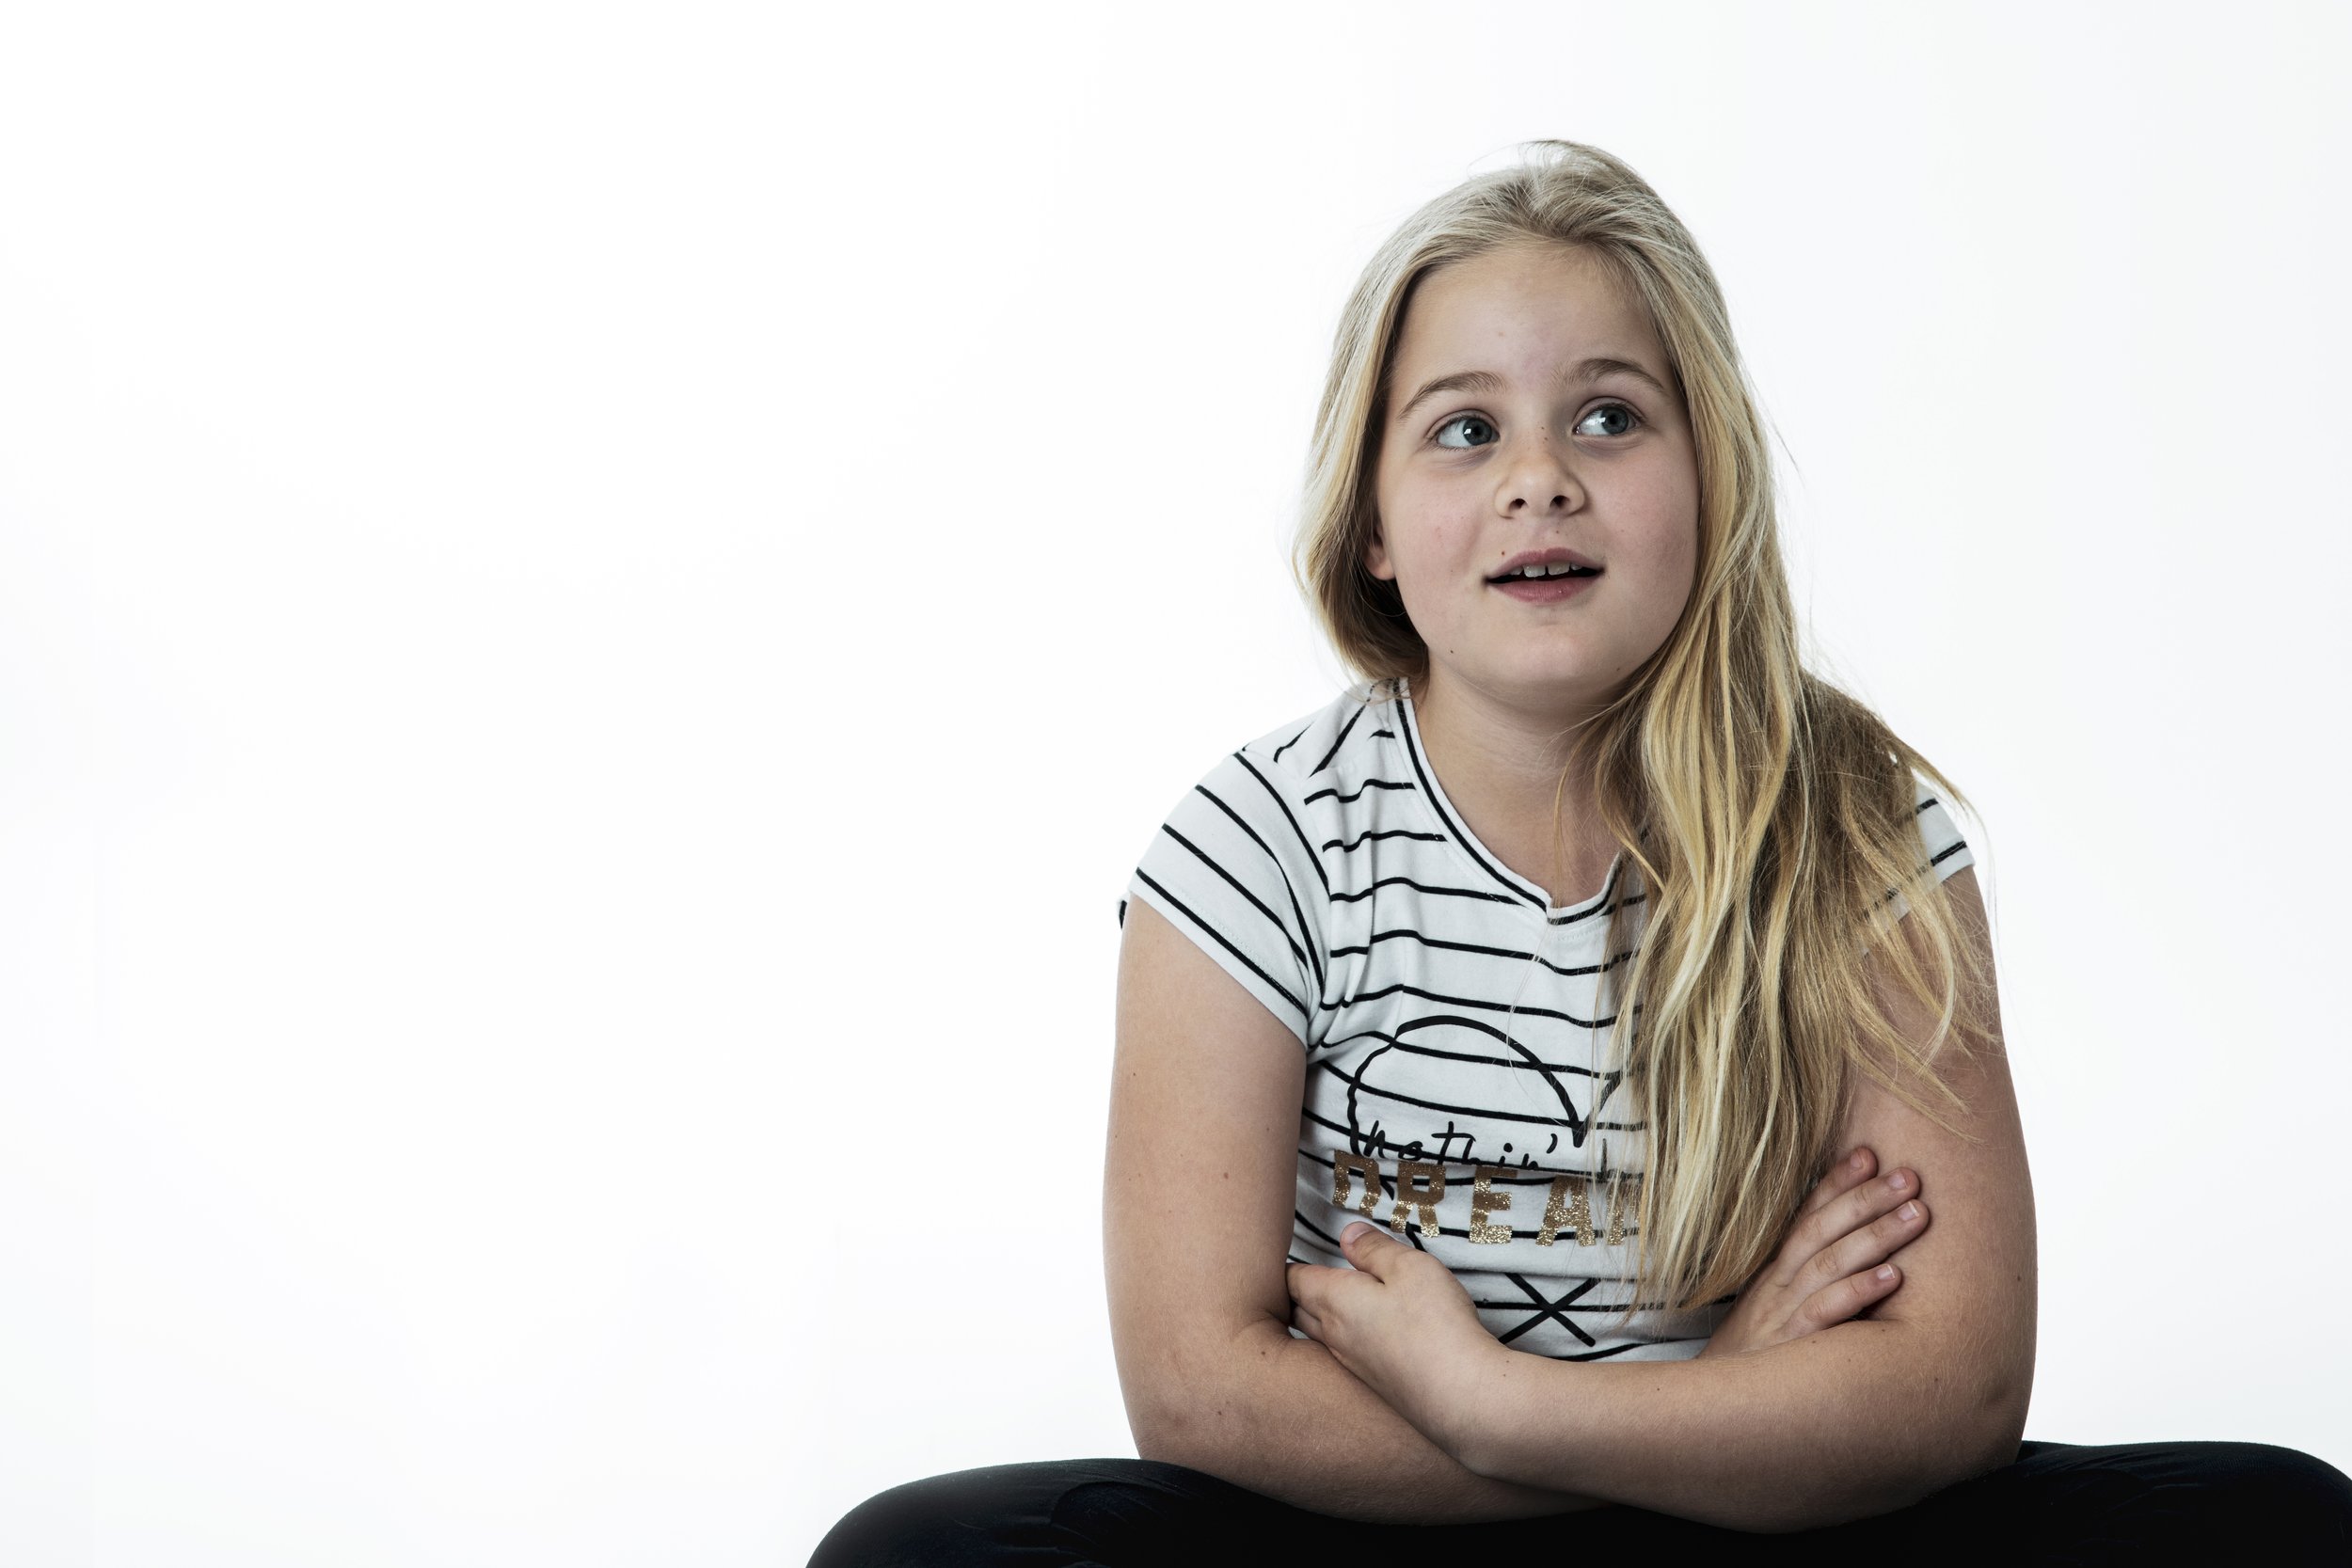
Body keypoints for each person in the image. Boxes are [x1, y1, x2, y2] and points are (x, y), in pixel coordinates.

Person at [807, 139, 2352, 1563]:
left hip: (1779, 1533)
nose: (1539, 475)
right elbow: (1206, 1398)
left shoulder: (1855, 819)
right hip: (1398, 1536)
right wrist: (1718, 1408)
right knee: (917, 1552)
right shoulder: (1257, 846)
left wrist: (1511, 1407)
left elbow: (1951, 1388)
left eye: (1609, 416)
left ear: (1709, 477)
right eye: (1464, 429)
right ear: (1374, 525)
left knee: (2281, 1521)